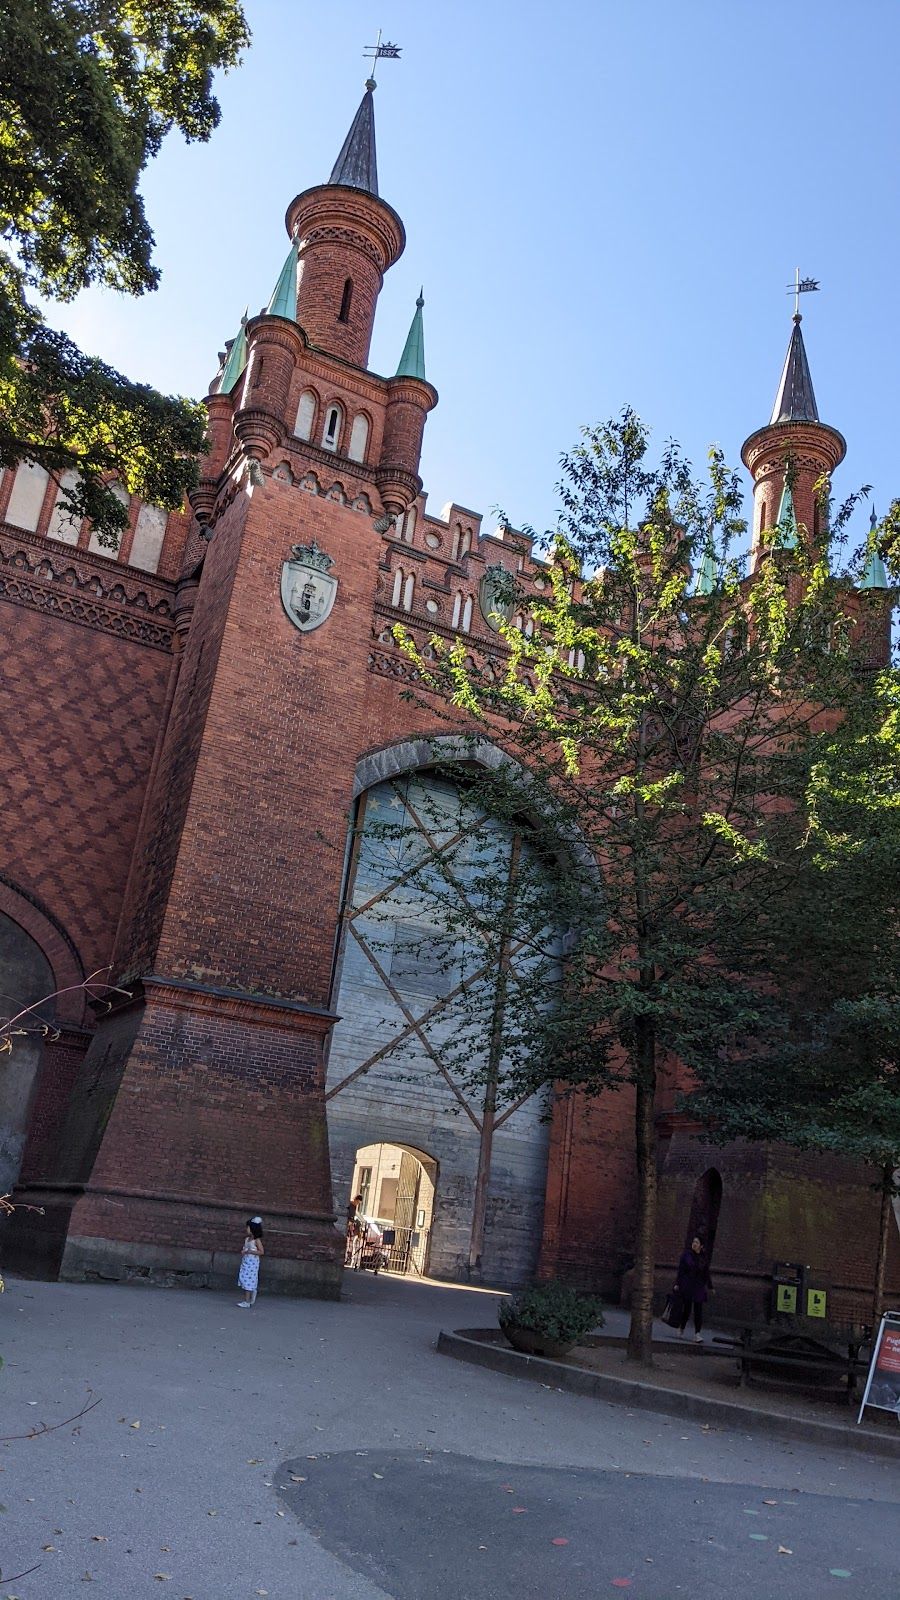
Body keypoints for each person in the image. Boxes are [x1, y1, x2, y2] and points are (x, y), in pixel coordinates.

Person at [674, 1235, 711, 1341]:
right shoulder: (687, 1255)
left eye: (697, 1242)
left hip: (698, 1286)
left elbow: (706, 1273)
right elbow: (681, 1270)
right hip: (688, 1284)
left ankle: (697, 1333)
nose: (694, 1244)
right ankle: (682, 1328)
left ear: (701, 1246)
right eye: (694, 1242)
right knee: (687, 1308)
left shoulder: (703, 1258)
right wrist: (677, 1283)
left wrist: (710, 1286)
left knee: (698, 1310)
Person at [237, 1216, 264, 1308]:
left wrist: (250, 1252)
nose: (247, 1229)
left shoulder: (256, 1240)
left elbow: (261, 1251)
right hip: (246, 1261)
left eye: (248, 1228)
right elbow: (246, 1248)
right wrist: (244, 1251)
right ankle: (250, 1294)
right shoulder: (247, 1240)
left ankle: (247, 1301)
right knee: (244, 1278)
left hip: (252, 1263)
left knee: (248, 1281)